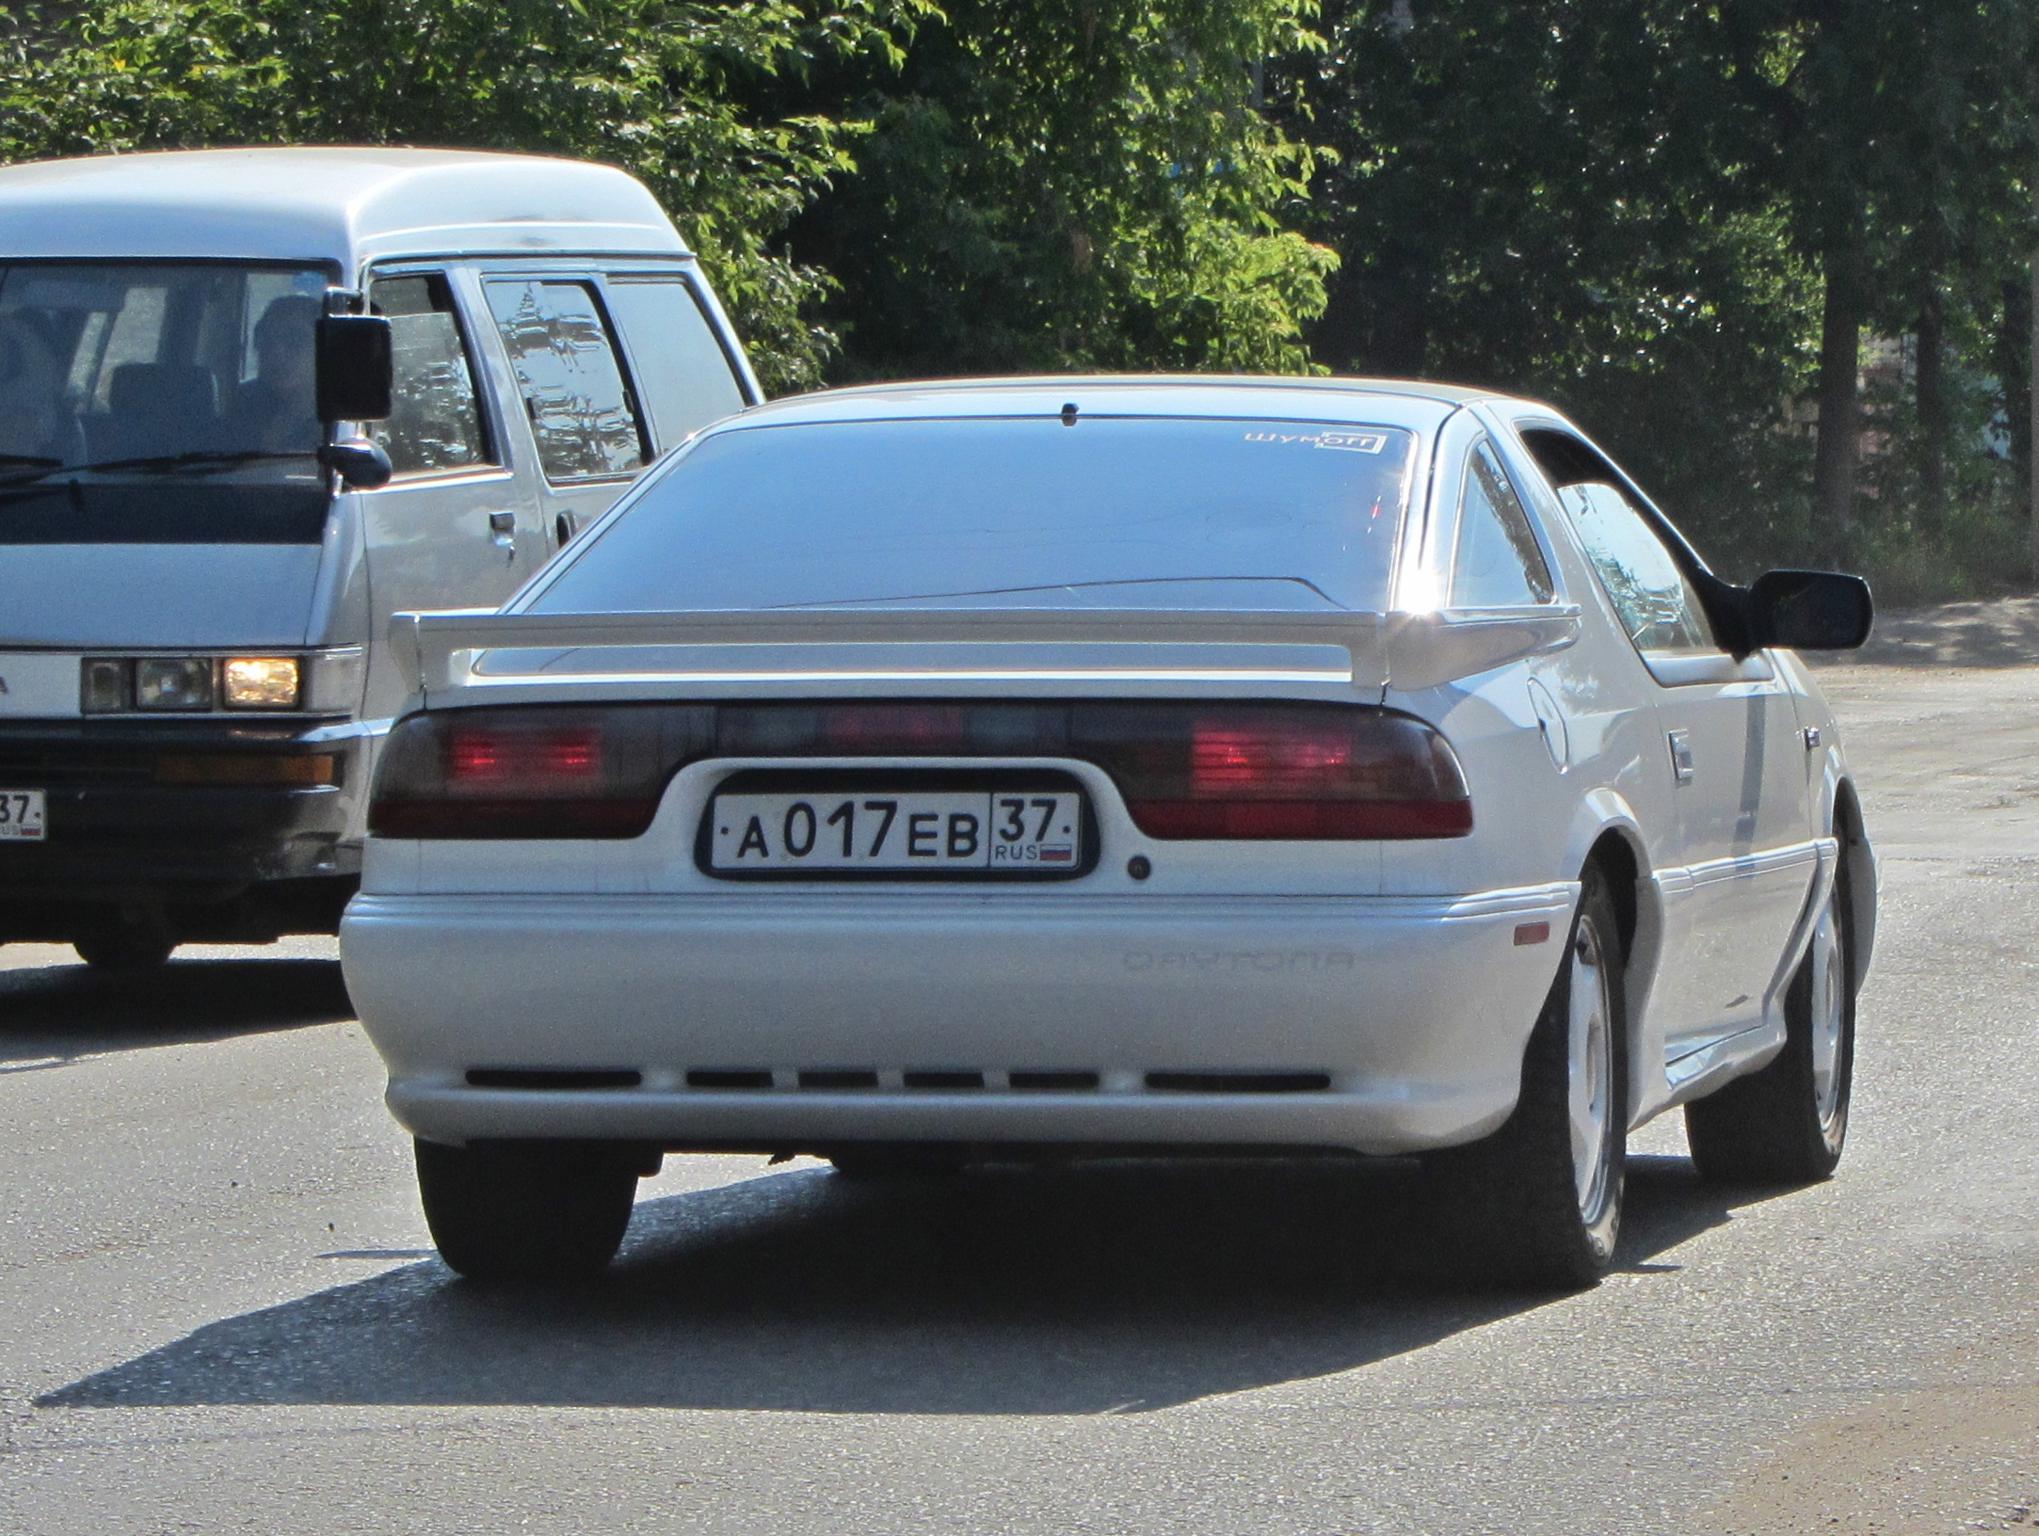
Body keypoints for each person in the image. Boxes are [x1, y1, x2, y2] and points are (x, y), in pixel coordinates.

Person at [228, 292, 322, 452]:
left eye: (295, 340)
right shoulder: (240, 407)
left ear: (322, 348)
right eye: (267, 339)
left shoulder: (340, 423)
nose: (276, 352)